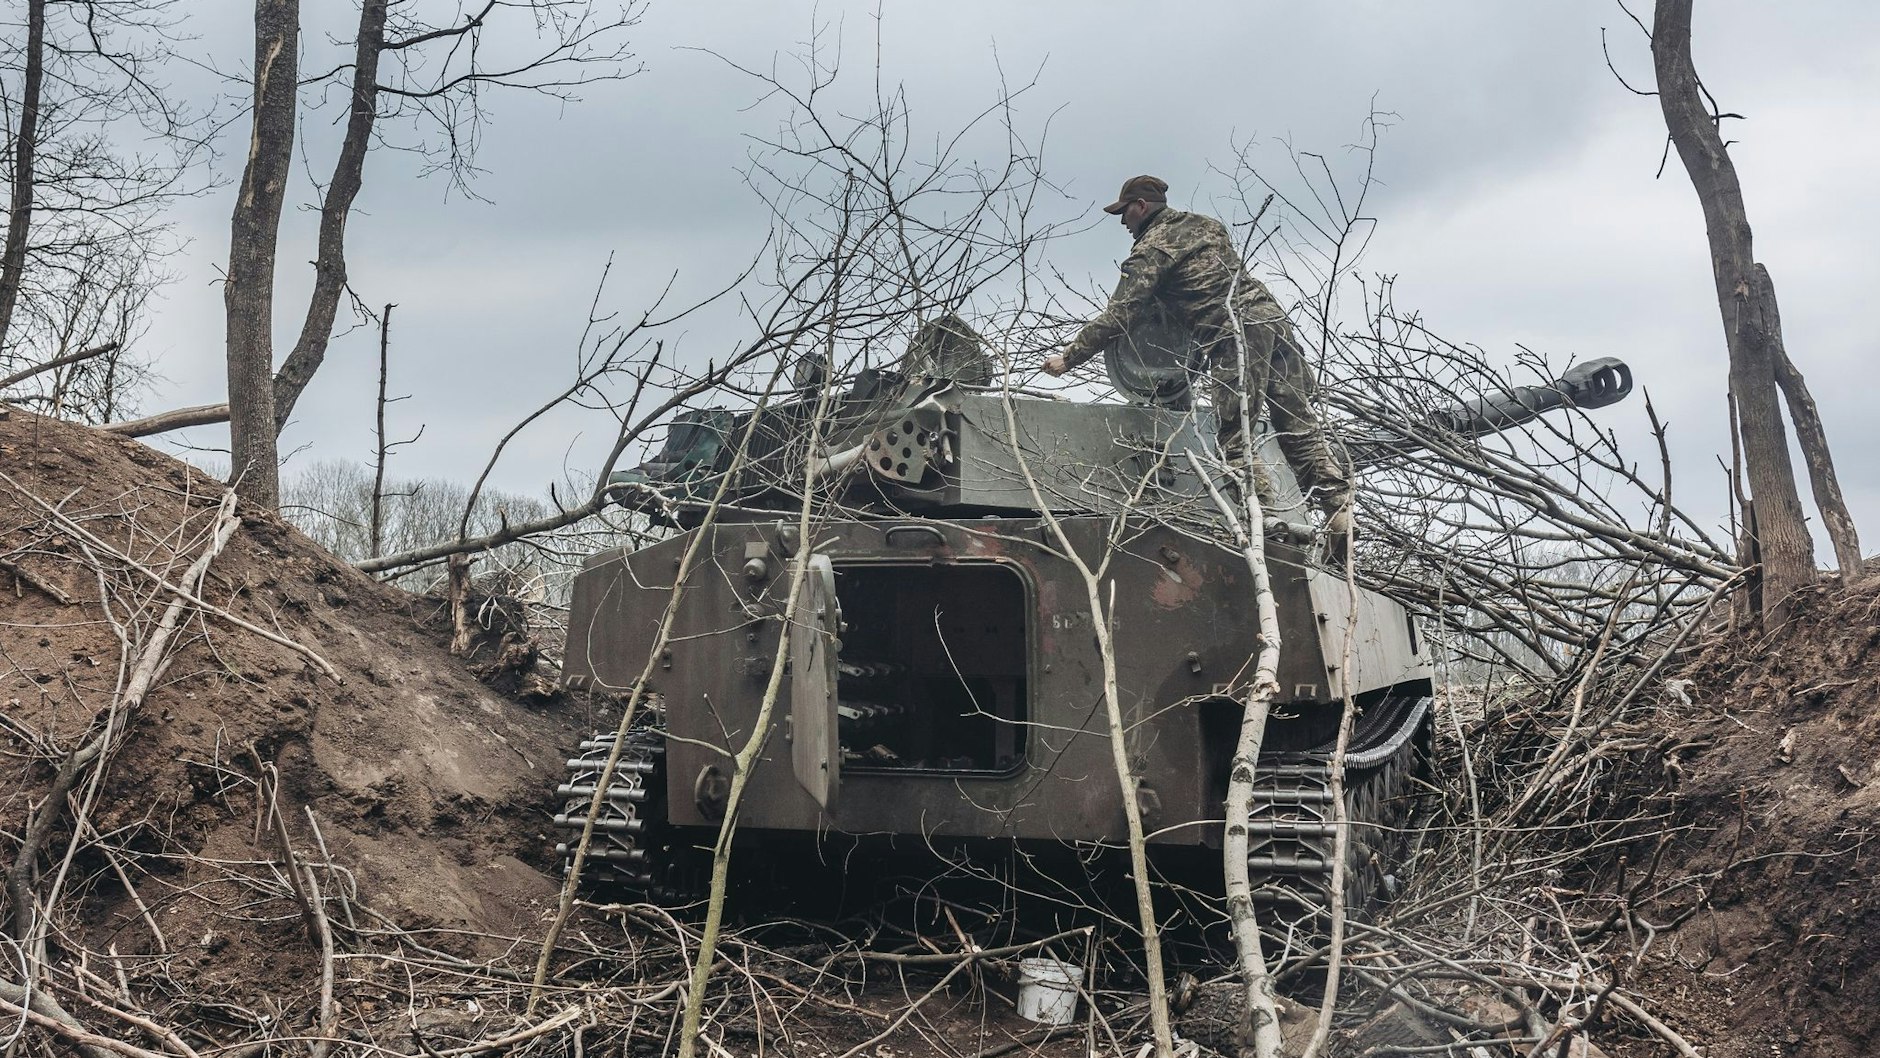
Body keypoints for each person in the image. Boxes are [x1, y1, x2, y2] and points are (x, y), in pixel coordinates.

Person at [1043, 175, 1352, 542]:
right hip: (1272, 320)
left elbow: (1120, 314)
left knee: (1236, 435)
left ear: (1141, 206)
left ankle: (1264, 522)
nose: (1123, 222)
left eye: (1124, 212)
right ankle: (1339, 513)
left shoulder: (1151, 250)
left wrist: (1070, 358)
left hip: (1234, 335)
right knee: (1298, 426)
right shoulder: (1207, 225)